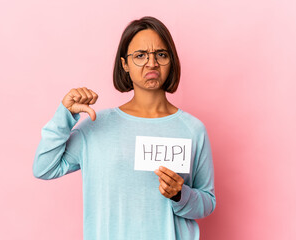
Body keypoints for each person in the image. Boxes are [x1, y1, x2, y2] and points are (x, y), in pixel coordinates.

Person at [33, 16, 216, 240]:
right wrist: (65, 114)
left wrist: (181, 195)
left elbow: (207, 203)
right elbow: (44, 168)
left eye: (161, 54)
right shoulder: (95, 126)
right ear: (125, 64)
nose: (152, 63)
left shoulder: (193, 129)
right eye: (140, 55)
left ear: (171, 61)